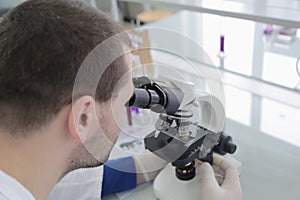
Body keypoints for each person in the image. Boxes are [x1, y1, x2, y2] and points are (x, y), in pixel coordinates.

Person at [0, 0, 242, 199]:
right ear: (84, 116)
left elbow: (86, 181)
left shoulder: (31, 167)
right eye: (127, 99)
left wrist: (168, 155)